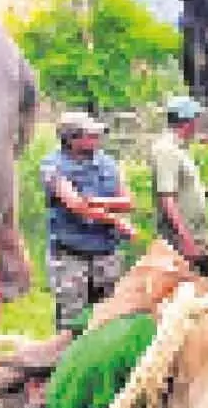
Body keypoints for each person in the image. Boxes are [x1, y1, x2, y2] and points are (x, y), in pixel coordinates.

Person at [40, 111, 136, 335]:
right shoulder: (53, 166)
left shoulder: (108, 163)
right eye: (90, 135)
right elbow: (75, 205)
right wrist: (114, 219)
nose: (97, 139)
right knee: (72, 322)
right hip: (71, 256)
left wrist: (96, 201)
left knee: (108, 318)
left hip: (106, 254)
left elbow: (129, 202)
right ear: (72, 139)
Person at [151, 96, 208, 277]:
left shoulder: (178, 149)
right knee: (186, 295)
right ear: (189, 121)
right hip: (183, 240)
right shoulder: (166, 151)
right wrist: (186, 240)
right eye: (196, 119)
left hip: (196, 235)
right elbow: (167, 201)